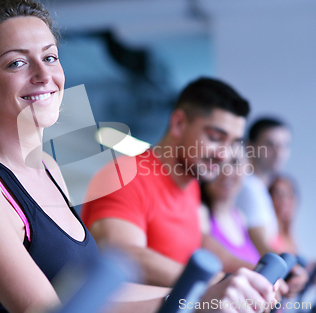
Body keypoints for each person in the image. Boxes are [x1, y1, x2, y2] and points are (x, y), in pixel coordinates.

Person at [0, 0, 281, 313]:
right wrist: (197, 300)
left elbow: (98, 292)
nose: (45, 75)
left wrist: (205, 293)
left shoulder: (49, 167)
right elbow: (49, 309)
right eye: (17, 62)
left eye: (51, 57)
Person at [81, 77, 274, 289]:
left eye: (232, 143)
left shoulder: (190, 182)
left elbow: (199, 242)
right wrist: (219, 283)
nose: (224, 155)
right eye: (216, 138)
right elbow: (124, 255)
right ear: (179, 124)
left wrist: (256, 275)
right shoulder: (122, 175)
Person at [234, 118, 291, 256]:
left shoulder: (260, 188)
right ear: (250, 147)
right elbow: (265, 249)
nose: (279, 152)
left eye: (284, 145)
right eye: (270, 144)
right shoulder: (249, 187)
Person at [199, 154, 261, 266]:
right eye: (219, 163)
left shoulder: (240, 218)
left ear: (248, 166)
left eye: (235, 163)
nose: (227, 171)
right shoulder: (200, 213)